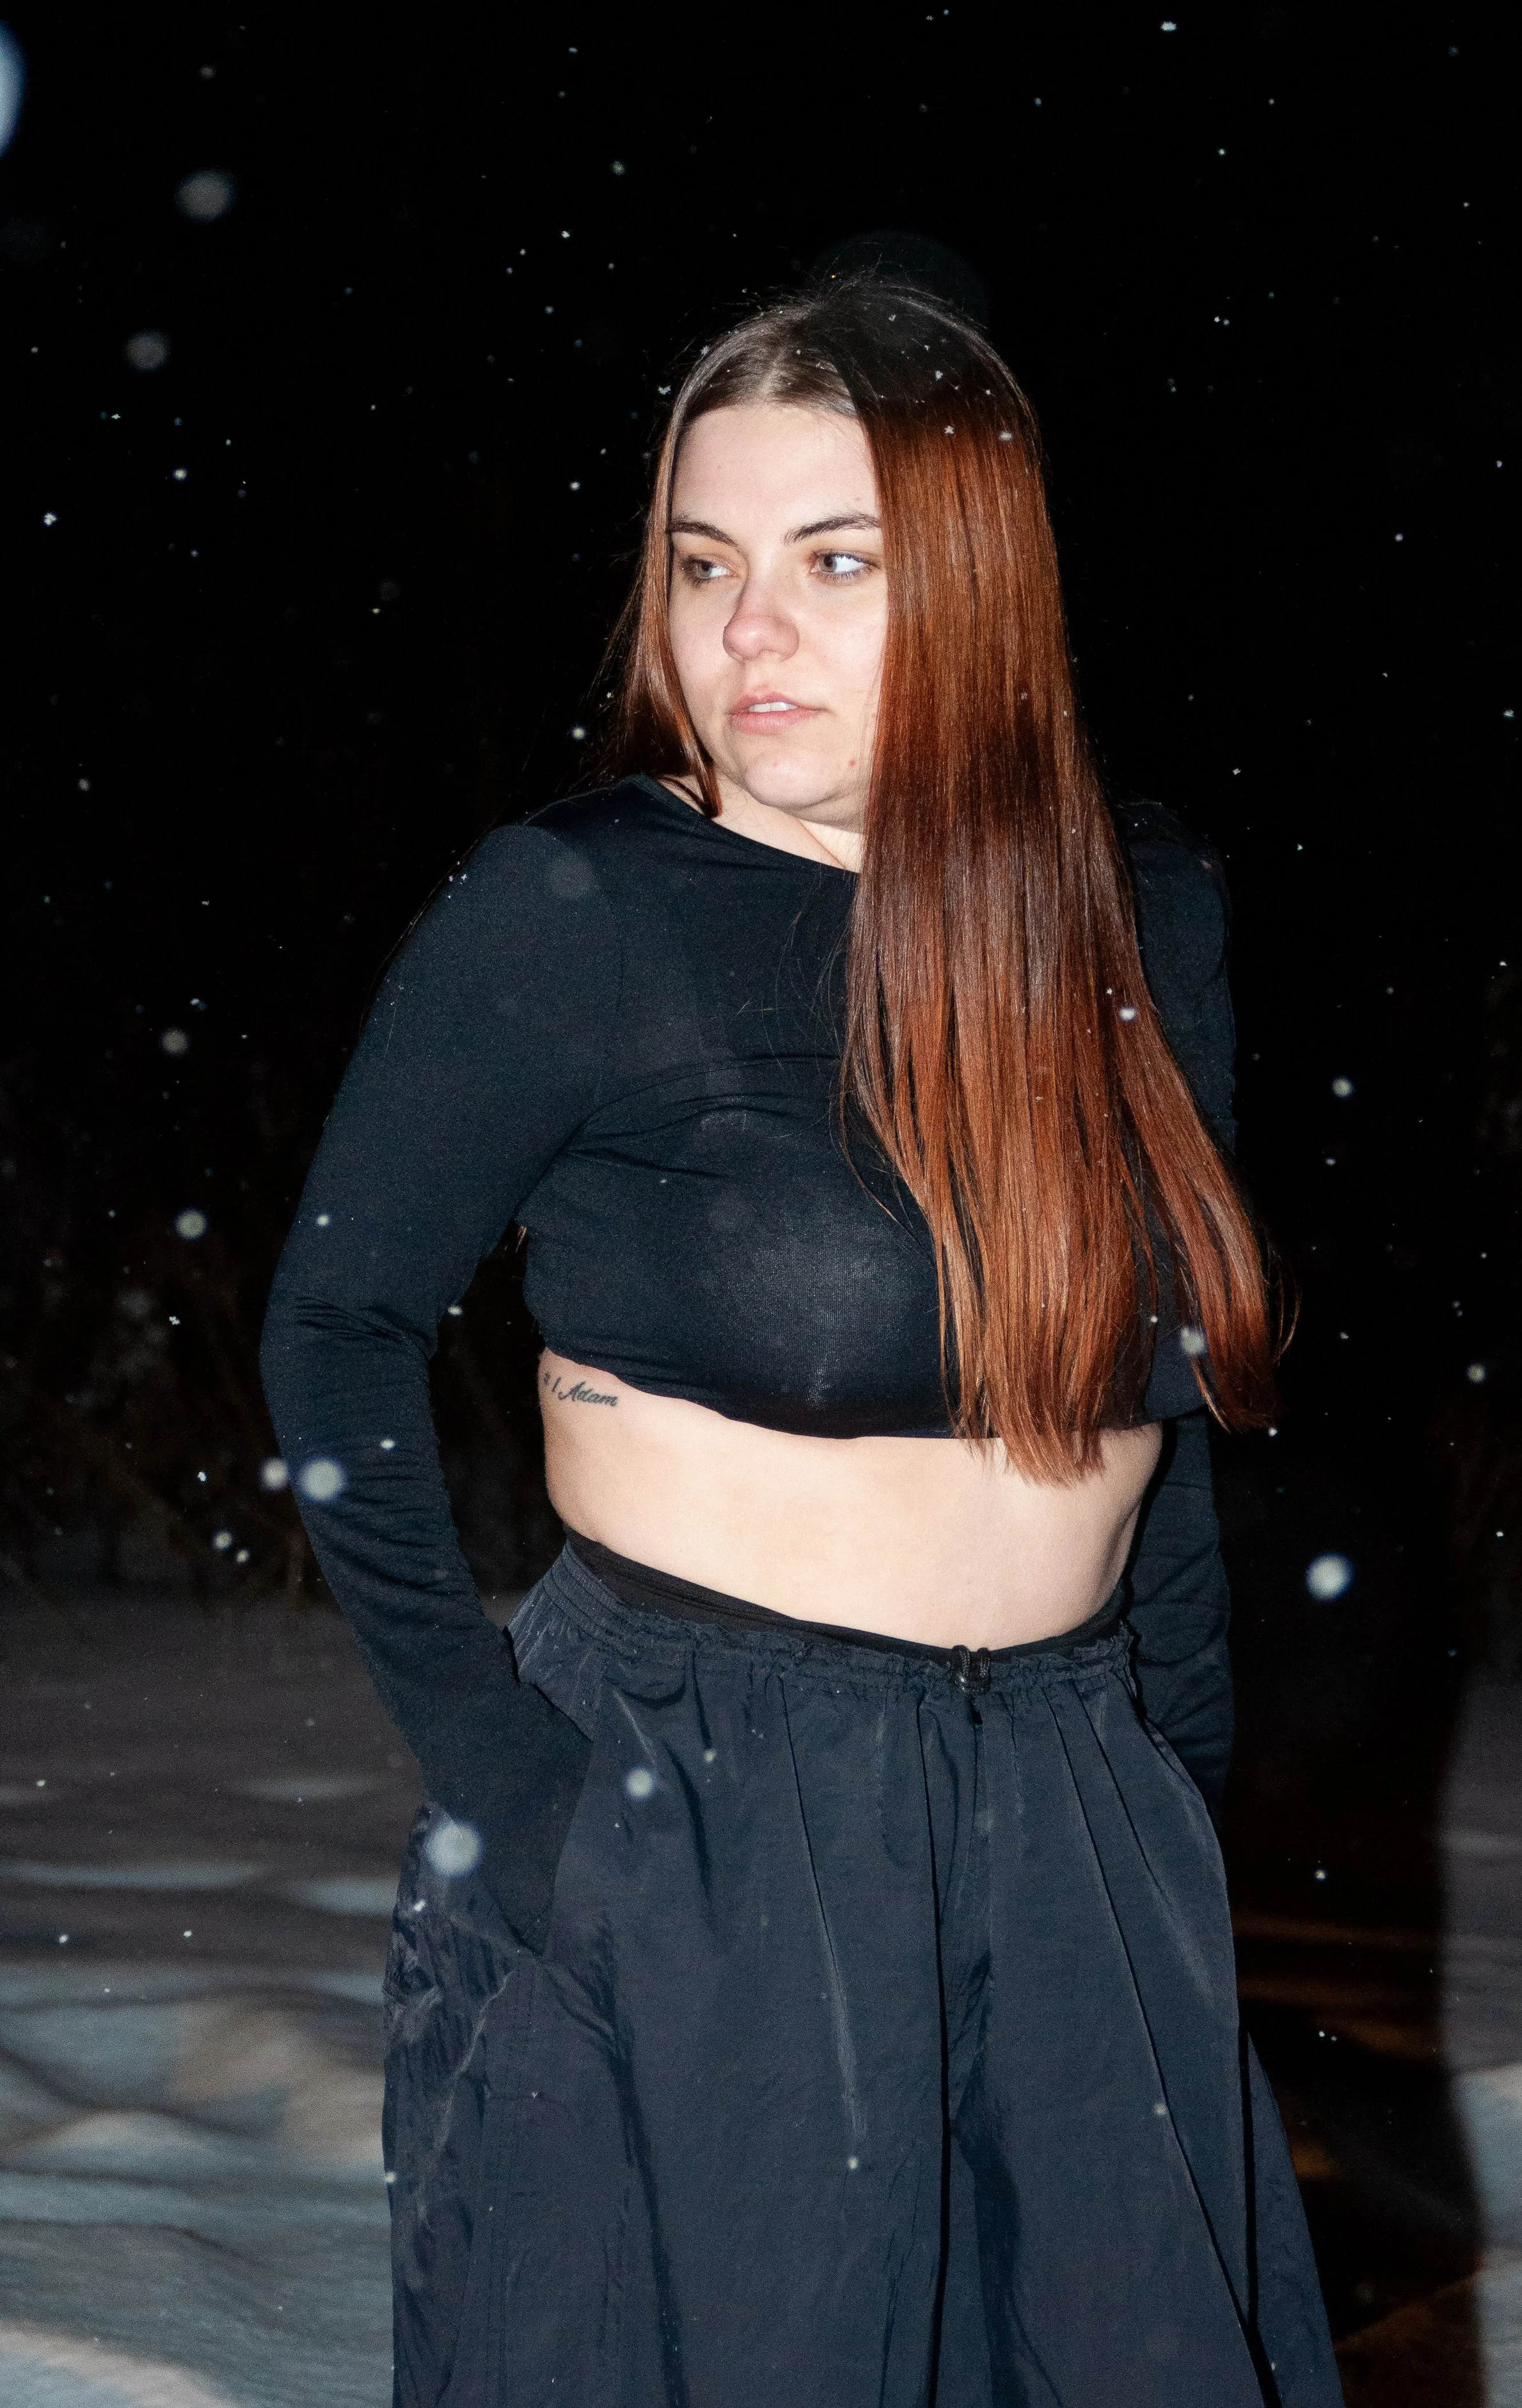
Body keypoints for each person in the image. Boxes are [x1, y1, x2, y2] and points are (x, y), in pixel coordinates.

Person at [262, 280, 1340, 2407]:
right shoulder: (577, 913)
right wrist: (514, 1791)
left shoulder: (1142, 904)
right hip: (700, 1803)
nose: (746, 636)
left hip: (1068, 1803)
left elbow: (1159, 1412)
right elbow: (333, 1330)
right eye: (702, 565)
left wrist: (1171, 1795)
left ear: (976, 579)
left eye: (832, 564)